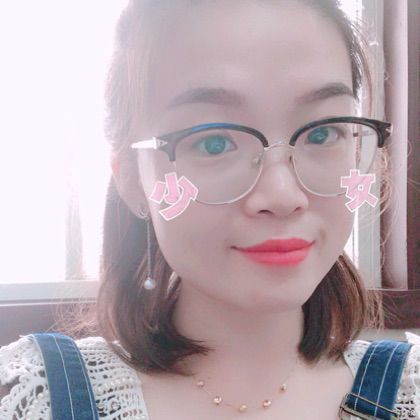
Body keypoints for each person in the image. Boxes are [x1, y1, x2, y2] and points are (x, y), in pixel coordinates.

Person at [1, 1, 419, 419]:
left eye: (323, 133)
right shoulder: (41, 396)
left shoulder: (409, 392)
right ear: (132, 179)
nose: (282, 195)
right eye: (214, 142)